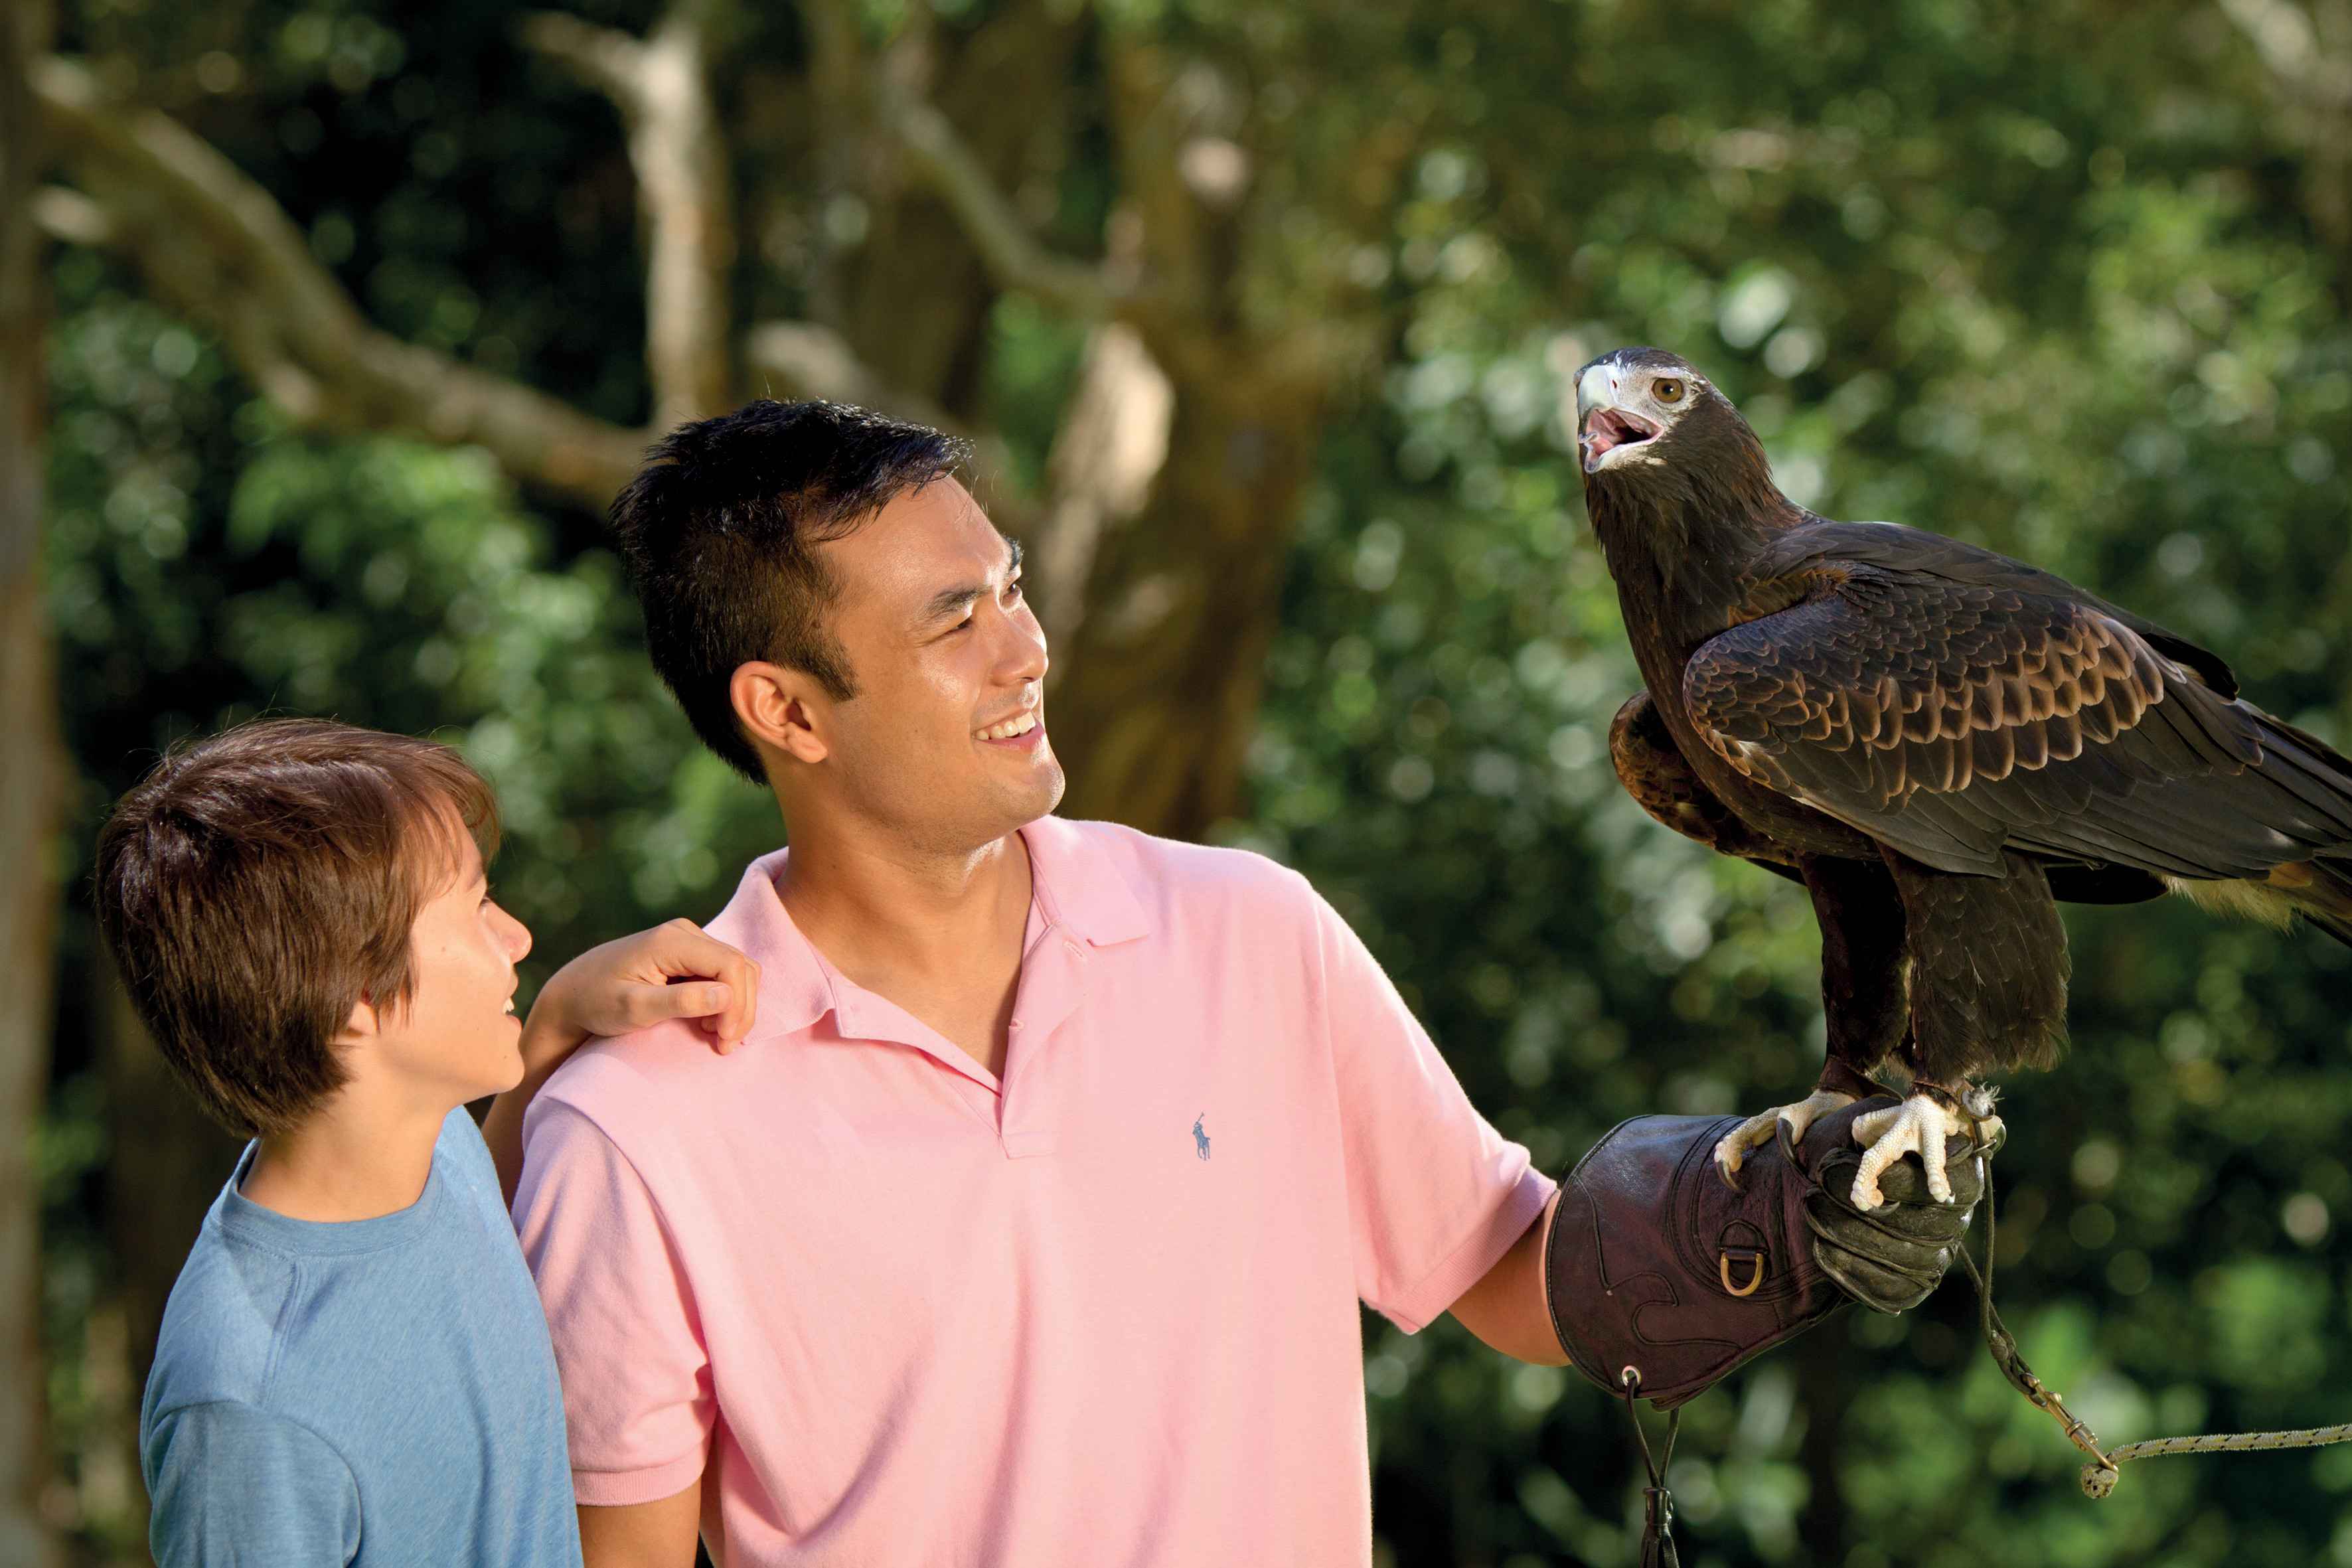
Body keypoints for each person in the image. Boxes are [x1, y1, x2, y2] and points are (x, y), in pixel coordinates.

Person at [510, 401, 1982, 1567]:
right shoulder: (638, 1124)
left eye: (1011, 589)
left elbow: (1500, 1266)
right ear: (784, 708)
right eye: (954, 620)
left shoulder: (1244, 932)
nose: (1027, 648)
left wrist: (1779, 1218)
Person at [96, 718, 759, 1567]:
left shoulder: (426, 1136)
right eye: (478, 907)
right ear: (353, 997)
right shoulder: (249, 1409)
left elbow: (488, 1255)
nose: (515, 936)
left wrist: (554, 1015)